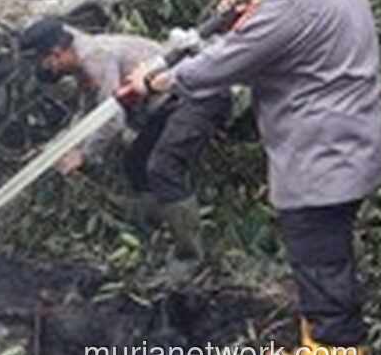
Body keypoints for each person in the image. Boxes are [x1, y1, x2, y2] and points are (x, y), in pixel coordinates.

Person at [128, 0, 381, 355]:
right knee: (321, 273)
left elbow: (228, 63)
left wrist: (159, 78)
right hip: (346, 147)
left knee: (328, 290)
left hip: (320, 160)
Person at [16, 18, 231, 275]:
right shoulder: (80, 60)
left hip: (198, 95)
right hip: (169, 102)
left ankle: (190, 259)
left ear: (56, 54)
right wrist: (57, 147)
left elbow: (112, 120)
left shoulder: (95, 57)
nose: (45, 70)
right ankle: (159, 235)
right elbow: (88, 113)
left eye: (43, 63)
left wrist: (84, 154)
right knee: (135, 163)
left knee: (162, 167)